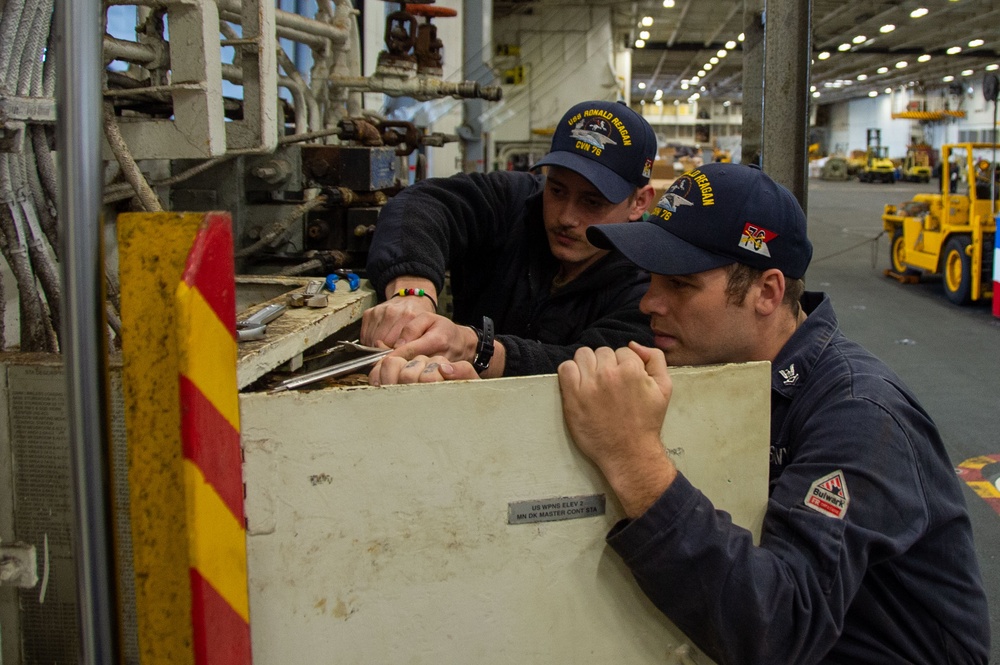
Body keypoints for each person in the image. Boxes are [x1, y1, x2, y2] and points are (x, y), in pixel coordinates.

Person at [556, 162, 991, 664]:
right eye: (650, 279)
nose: (650, 302)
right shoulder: (729, 367)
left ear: (767, 292)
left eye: (680, 284)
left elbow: (781, 628)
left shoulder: (860, 414)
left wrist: (633, 458)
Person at [360, 99, 658, 385]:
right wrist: (412, 293)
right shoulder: (515, 201)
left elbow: (593, 367)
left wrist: (476, 350)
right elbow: (422, 204)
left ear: (639, 202)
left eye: (592, 202)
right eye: (557, 191)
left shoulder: (649, 287)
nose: (566, 217)